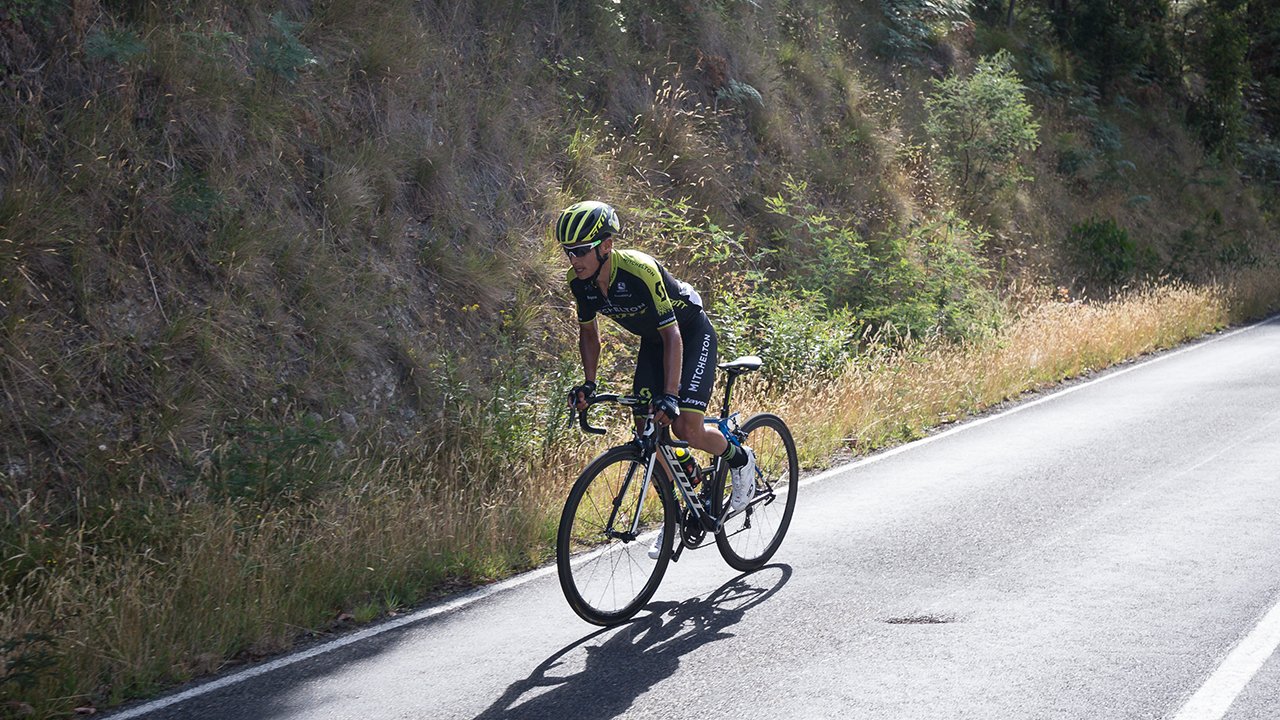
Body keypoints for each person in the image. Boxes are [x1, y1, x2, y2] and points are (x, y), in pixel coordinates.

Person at [555, 200, 756, 558]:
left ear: (606, 245)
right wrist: (589, 383)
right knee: (648, 434)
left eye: (582, 250)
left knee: (686, 429)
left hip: (688, 333)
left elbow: (674, 336)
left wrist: (670, 394)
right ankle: (677, 512)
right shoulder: (579, 283)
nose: (575, 260)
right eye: (569, 252)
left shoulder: (639, 271)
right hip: (653, 342)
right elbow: (589, 334)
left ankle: (741, 460)